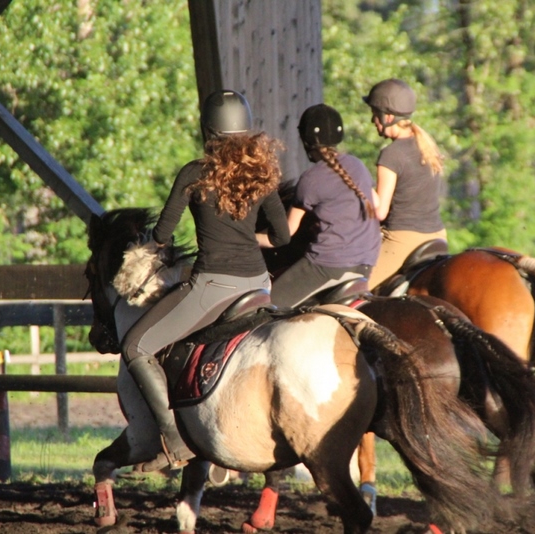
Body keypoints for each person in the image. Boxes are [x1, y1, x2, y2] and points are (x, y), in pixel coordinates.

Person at [120, 90, 290, 470]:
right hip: (259, 285)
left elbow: (163, 233)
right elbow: (282, 239)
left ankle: (176, 440)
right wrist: (248, 238)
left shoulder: (194, 173)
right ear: (247, 130)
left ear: (208, 130)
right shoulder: (263, 176)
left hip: (213, 287)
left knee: (135, 346)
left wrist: (142, 252)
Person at [265, 103, 380, 307]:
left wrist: (250, 238)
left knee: (265, 306)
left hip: (327, 266)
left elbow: (285, 234)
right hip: (366, 264)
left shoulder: (311, 178)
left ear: (306, 141)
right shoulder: (358, 165)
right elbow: (376, 203)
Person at [362, 78, 447, 290]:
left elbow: (380, 212)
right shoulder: (426, 144)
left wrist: (361, 184)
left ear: (388, 117)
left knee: (356, 289)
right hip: (437, 237)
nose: (373, 120)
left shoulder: (391, 154)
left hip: (403, 240)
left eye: (375, 113)